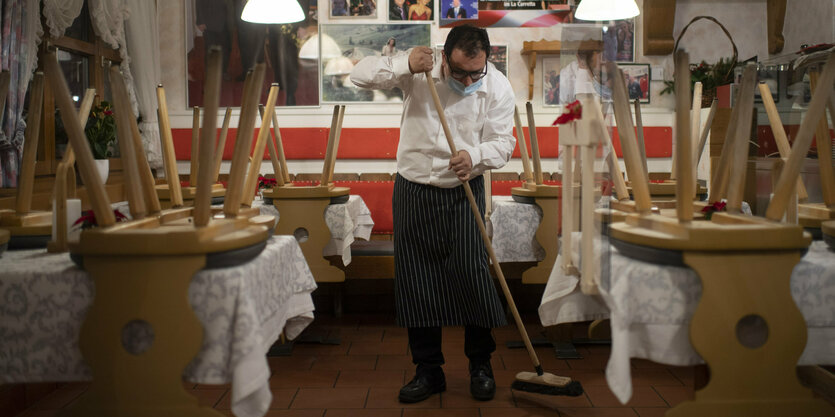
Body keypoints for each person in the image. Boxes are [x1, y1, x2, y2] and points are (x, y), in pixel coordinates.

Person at [350, 25, 515, 404]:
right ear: (444, 57)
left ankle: (480, 365)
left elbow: (503, 142)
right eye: (460, 72)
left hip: (464, 188)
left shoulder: (498, 86)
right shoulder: (419, 73)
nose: (469, 80)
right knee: (416, 278)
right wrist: (404, 62)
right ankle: (428, 370)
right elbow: (359, 75)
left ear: (486, 61)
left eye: (476, 72)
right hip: (413, 187)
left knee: (473, 273)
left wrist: (475, 156)